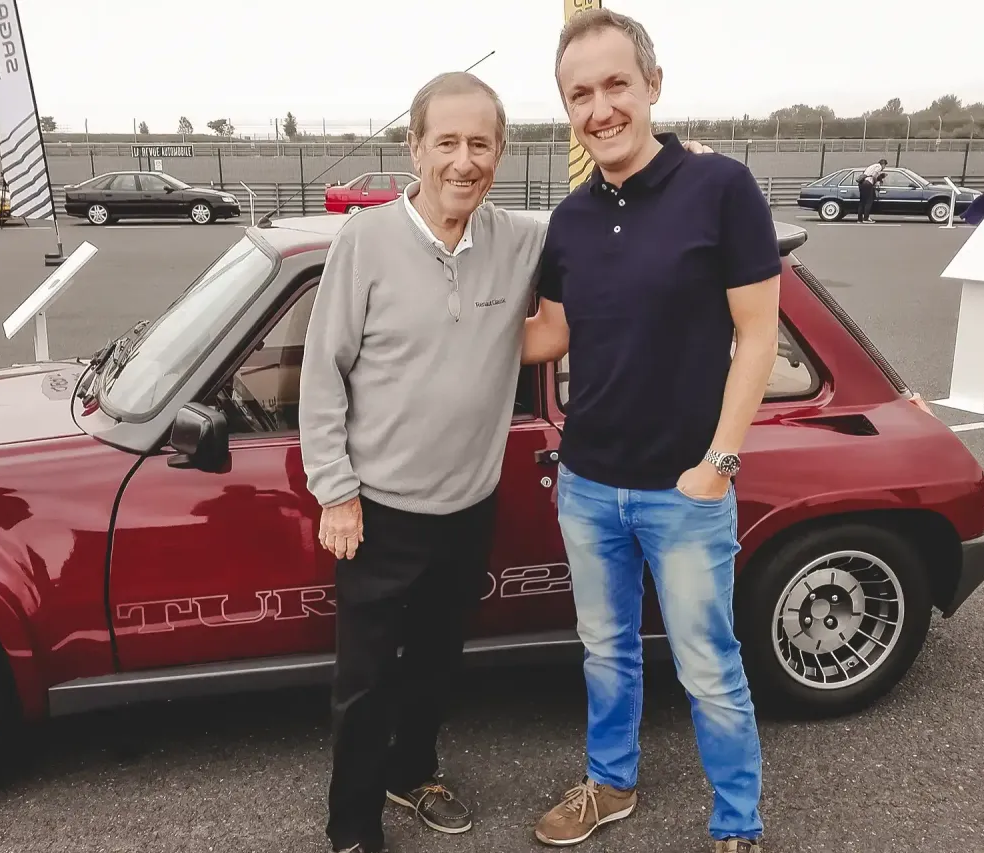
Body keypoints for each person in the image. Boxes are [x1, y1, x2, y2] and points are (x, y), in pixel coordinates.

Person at [299, 69, 715, 853]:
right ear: (415, 148)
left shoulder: (522, 239)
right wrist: (336, 492)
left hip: (468, 506)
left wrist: (678, 173)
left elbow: (603, 224)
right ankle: (351, 824)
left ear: (500, 153)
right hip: (378, 509)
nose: (464, 161)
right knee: (364, 680)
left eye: (481, 144)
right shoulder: (365, 241)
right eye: (446, 143)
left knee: (436, 662)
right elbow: (324, 373)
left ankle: (412, 772)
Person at [521, 8, 780, 853]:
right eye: (580, 95)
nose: (600, 109)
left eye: (616, 85)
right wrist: (433, 312)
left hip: (686, 489)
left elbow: (758, 335)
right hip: (588, 483)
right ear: (567, 107)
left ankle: (736, 819)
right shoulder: (570, 219)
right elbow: (550, 334)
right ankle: (610, 783)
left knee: (707, 664)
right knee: (605, 651)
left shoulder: (722, 188)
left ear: (653, 85)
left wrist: (719, 463)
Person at [857, 158, 886, 223]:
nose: (884, 168)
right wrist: (876, 182)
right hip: (868, 184)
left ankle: (859, 219)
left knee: (862, 202)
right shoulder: (879, 166)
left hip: (862, 184)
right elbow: (874, 176)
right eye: (884, 166)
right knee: (869, 201)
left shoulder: (872, 166)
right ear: (883, 164)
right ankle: (866, 219)